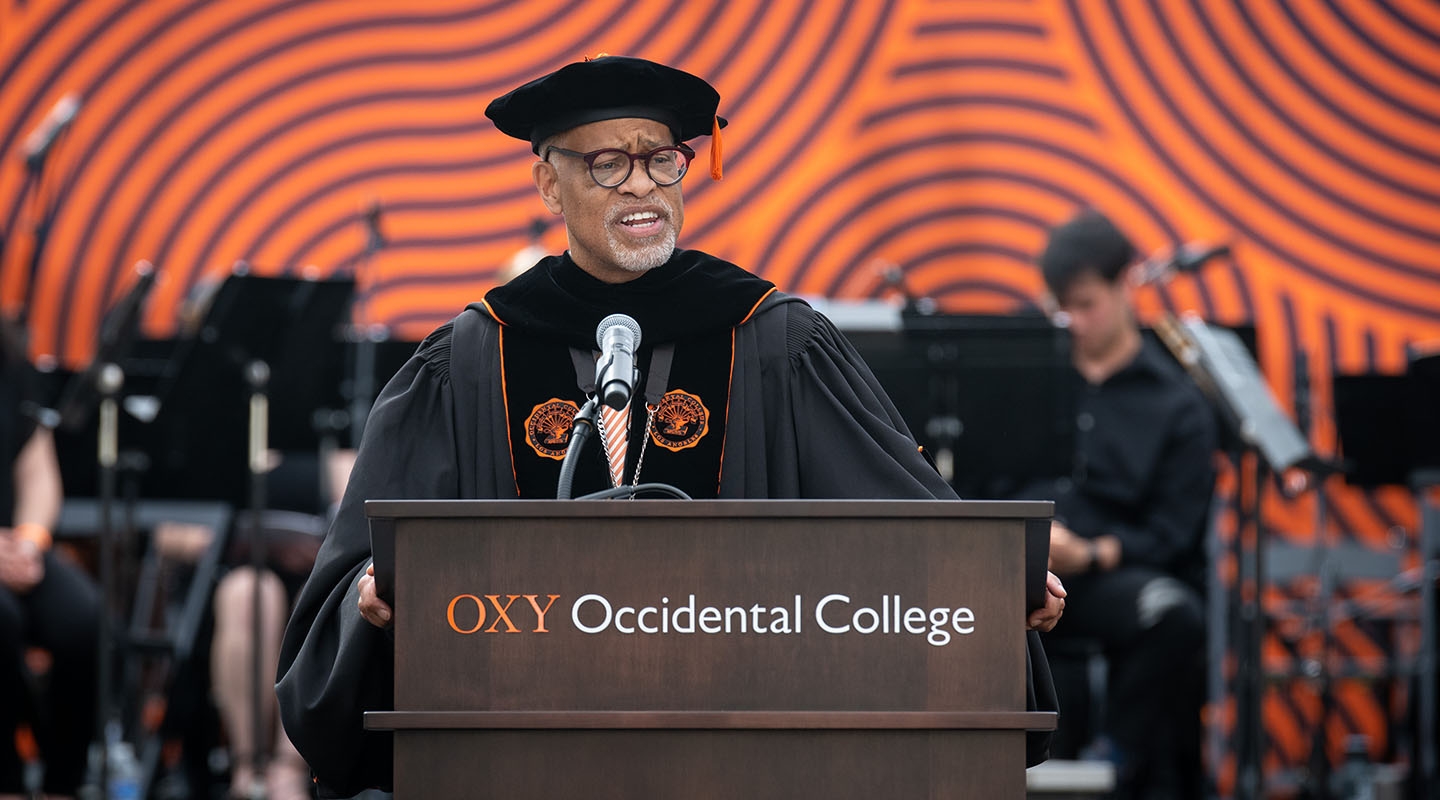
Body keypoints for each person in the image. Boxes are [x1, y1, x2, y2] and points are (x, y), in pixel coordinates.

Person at [276, 55, 1065, 797]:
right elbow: (359, 574)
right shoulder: (475, 358)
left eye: (661, 158)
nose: (642, 186)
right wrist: (373, 602)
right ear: (548, 184)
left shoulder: (772, 339)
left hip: (741, 750)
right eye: (608, 164)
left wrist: (991, 584)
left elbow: (896, 514)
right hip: (527, 754)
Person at [1034, 210, 1217, 800]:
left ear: (1127, 284)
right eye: (1063, 307)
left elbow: (1175, 533)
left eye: (1086, 305)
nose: (1074, 322)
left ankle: (1122, 766)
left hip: (1116, 580)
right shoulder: (1029, 378)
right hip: (1028, 572)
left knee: (1173, 614)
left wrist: (1090, 552)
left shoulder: (1179, 404)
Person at [0, 317, 100, 799]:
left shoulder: (10, 364)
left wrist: (30, 541)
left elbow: (38, 470)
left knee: (83, 618)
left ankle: (64, 784)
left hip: (15, 547)